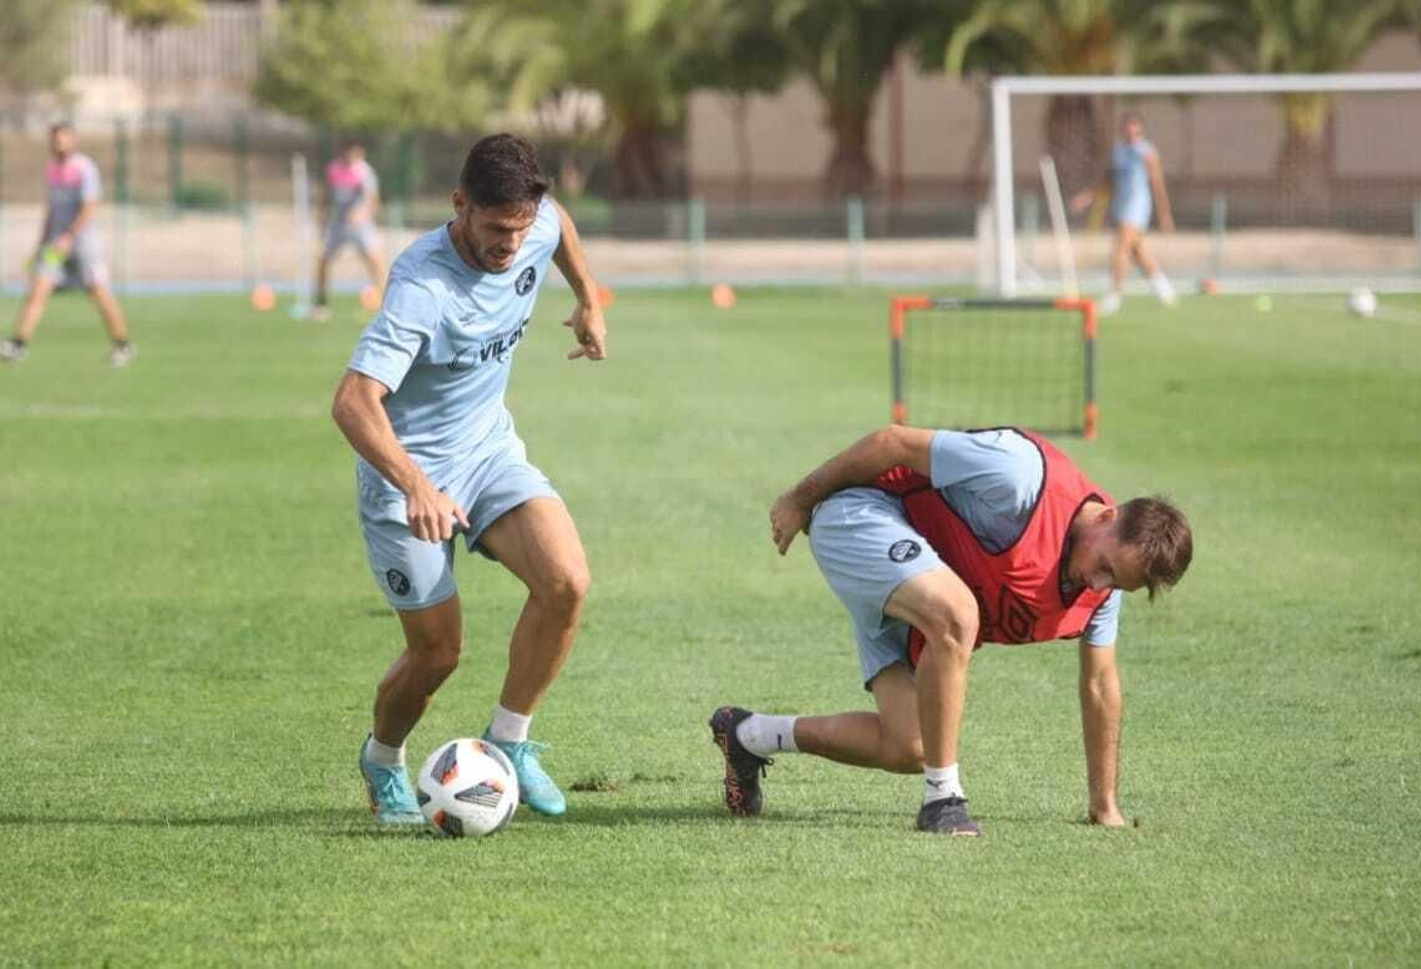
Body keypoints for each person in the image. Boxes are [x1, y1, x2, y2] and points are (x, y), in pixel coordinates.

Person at [711, 425, 1192, 836]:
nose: (1100, 583)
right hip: (863, 515)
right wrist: (799, 500)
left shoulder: (1102, 590)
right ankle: (943, 801)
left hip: (918, 589)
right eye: (1104, 566)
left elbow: (1100, 684)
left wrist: (1104, 805)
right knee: (958, 613)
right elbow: (893, 441)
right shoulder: (1019, 473)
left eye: (1117, 584)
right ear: (1108, 515)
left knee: (912, 746)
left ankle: (749, 735)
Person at [331, 133, 607, 826]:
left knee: (567, 581)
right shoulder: (421, 286)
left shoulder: (533, 222)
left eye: (518, 228)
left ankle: (510, 743)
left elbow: (560, 224)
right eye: (493, 228)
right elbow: (353, 402)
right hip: (408, 478)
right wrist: (416, 485)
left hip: (487, 453)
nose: (510, 245)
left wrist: (587, 298)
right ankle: (383, 758)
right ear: (459, 204)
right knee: (437, 654)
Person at [0, 122, 134, 366]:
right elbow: (51, 209)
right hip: (54, 246)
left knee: (98, 293)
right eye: (54, 139)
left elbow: (90, 206)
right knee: (37, 290)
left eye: (63, 138)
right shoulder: (51, 169)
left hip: (83, 244)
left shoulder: (85, 168)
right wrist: (42, 241)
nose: (58, 143)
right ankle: (18, 344)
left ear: (73, 140)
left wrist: (70, 236)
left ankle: (123, 344)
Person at [1070, 113, 1177, 317]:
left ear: (1141, 130)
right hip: (1121, 207)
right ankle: (1163, 288)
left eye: (1136, 129)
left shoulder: (1147, 152)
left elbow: (1157, 183)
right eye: (1128, 128)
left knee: (1120, 249)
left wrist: (1165, 213)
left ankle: (1113, 296)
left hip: (1138, 208)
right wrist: (1087, 197)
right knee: (1137, 252)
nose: (1132, 132)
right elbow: (1107, 182)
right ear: (1123, 130)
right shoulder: (1117, 153)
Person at [314, 139, 385, 320]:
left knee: (375, 261)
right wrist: (322, 219)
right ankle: (321, 304)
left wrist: (361, 214)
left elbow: (373, 201)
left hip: (360, 225)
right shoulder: (333, 170)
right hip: (337, 224)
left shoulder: (365, 172)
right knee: (323, 260)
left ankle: (385, 305)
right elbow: (325, 196)